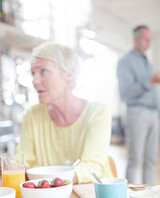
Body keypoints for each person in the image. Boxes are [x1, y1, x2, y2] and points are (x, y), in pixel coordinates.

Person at [16, 41, 113, 184]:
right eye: (33, 74)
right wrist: (10, 166)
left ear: (69, 74)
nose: (35, 81)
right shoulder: (33, 114)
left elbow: (93, 166)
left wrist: (50, 182)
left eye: (43, 71)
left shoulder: (98, 111)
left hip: (96, 195)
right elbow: (21, 161)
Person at [117, 25, 160, 184]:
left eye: (150, 40)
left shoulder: (147, 63)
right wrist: (151, 81)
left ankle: (148, 197)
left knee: (151, 159)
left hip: (152, 114)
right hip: (136, 112)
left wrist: (158, 115)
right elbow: (126, 93)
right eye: (145, 39)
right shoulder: (125, 62)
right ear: (135, 39)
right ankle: (131, 197)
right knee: (135, 159)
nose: (148, 43)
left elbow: (154, 93)